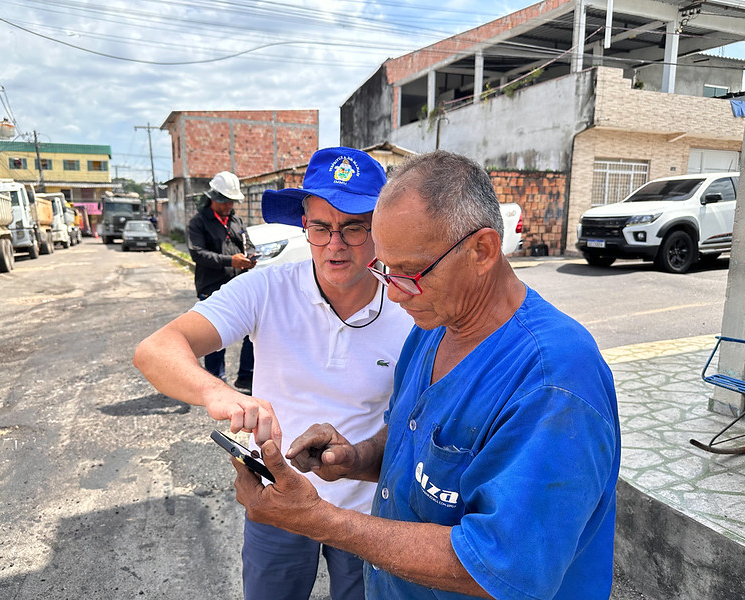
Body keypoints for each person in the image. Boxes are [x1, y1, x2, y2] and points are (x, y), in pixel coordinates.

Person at [230, 150, 621, 600]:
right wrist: (354, 458)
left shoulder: (554, 382)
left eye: (412, 273)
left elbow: (499, 568)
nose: (394, 294)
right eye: (386, 270)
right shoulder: (433, 329)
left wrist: (318, 520)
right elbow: (415, 442)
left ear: (483, 250)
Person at [133, 147, 414, 600]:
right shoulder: (267, 288)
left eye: (354, 228)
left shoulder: (409, 308)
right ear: (305, 226)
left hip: (368, 510)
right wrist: (219, 393)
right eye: (321, 227)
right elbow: (156, 350)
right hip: (277, 498)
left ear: (380, 230)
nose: (335, 244)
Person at [186, 171, 255, 392]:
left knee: (252, 333)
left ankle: (246, 376)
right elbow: (197, 253)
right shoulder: (198, 223)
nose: (228, 206)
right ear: (212, 197)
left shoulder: (236, 220)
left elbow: (249, 244)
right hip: (212, 287)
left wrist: (251, 257)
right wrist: (230, 261)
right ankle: (214, 382)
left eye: (232, 201)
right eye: (224, 201)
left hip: (239, 287)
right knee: (215, 340)